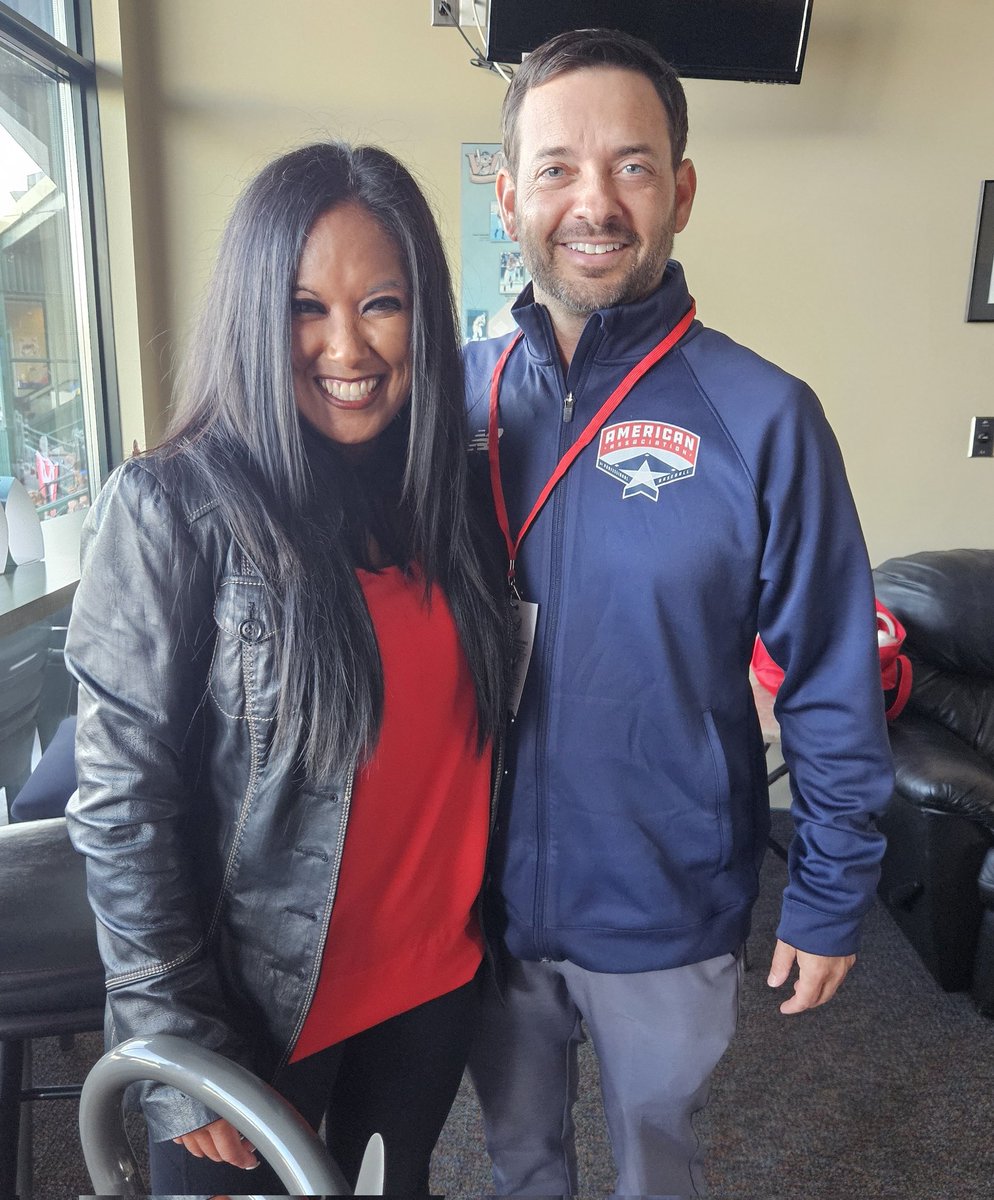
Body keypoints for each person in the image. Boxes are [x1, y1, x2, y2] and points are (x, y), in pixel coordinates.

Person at [462, 28, 894, 1198]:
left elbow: (828, 672)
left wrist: (830, 885)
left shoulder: (763, 417)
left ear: (682, 191)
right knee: (518, 1164)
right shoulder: (447, 401)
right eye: (555, 168)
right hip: (472, 905)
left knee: (657, 1164)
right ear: (508, 197)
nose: (592, 202)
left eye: (633, 166)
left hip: (665, 899)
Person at [65, 141, 509, 1197]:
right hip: (255, 1014)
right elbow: (122, 801)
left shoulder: (457, 499)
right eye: (305, 307)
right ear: (254, 317)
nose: (345, 345)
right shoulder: (173, 505)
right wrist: (179, 1039)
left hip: (427, 990)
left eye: (382, 304)